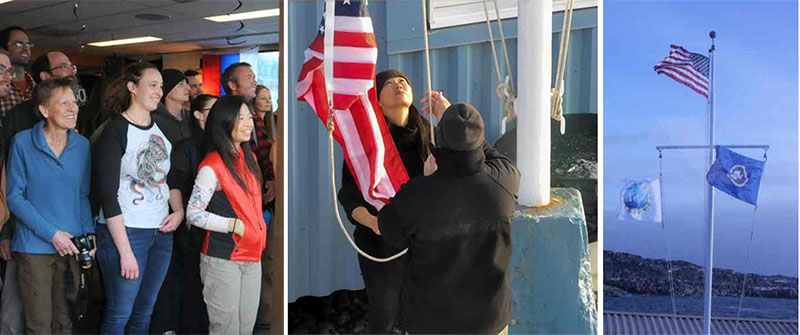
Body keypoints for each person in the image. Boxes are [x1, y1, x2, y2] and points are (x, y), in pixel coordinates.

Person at [377, 103, 520, 334]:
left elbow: (389, 231)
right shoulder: (504, 182)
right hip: (489, 320)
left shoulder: (417, 194)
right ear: (480, 137)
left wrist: (426, 180)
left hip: (431, 321)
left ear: (440, 139)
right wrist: (466, 130)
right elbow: (494, 157)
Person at [337, 69, 446, 334]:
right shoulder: (365, 145)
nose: (397, 85)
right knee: (384, 313)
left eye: (402, 81)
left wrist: (445, 114)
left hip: (424, 241)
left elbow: (464, 171)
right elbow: (349, 194)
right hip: (380, 242)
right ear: (377, 99)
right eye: (388, 83)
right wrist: (374, 222)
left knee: (426, 309)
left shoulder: (431, 135)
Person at [93, 62, 182, 334]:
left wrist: (177, 211)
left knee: (145, 312)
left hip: (160, 232)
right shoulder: (115, 130)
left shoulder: (164, 128)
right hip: (126, 232)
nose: (158, 92)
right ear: (132, 87)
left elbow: (172, 179)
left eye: (160, 86)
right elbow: (107, 195)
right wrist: (125, 251)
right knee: (120, 314)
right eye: (152, 85)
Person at [5, 76, 94, 334]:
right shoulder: (22, 142)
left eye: (74, 102)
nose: (72, 108)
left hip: (72, 247)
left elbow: (82, 195)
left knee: (66, 321)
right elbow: (14, 197)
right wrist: (52, 235)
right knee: (39, 324)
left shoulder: (82, 145)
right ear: (44, 110)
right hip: (34, 248)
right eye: (63, 103)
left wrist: (87, 235)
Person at [186, 95, 266, 335]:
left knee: (245, 328)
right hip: (223, 258)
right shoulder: (212, 165)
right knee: (226, 329)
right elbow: (194, 214)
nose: (248, 123)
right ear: (224, 121)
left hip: (253, 256)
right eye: (240, 117)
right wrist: (232, 225)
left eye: (248, 116)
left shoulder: (248, 157)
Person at [166, 94, 217, 335]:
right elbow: (174, 183)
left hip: (222, 228)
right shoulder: (186, 147)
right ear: (198, 114)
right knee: (192, 284)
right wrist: (182, 214)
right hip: (192, 226)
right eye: (212, 109)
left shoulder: (226, 144)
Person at [252, 85, 274, 330]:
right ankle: (264, 315)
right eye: (262, 97)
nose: (267, 101)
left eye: (269, 97)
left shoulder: (271, 122)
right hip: (263, 198)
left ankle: (265, 313)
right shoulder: (256, 128)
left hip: (267, 199)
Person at [151, 69, 193, 146]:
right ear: (167, 90)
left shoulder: (192, 118)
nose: (188, 88)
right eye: (181, 84)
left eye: (186, 83)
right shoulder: (153, 121)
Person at [0, 26, 34, 116]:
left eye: (28, 45)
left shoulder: (37, 88)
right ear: (3, 50)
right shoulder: (2, 86)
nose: (25, 49)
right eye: (18, 44)